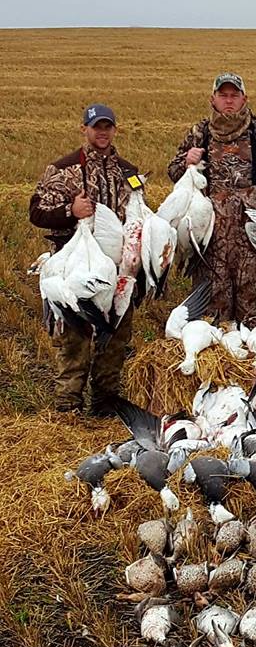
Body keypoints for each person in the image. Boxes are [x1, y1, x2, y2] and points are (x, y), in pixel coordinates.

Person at [29, 104, 141, 415]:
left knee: (115, 338)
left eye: (107, 126)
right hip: (75, 268)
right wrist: (70, 212)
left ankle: (104, 406)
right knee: (75, 337)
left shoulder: (128, 172)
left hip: (117, 270)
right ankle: (68, 407)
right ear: (85, 130)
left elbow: (138, 218)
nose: (102, 132)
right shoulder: (64, 169)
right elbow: (36, 212)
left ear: (114, 130)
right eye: (96, 127)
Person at [168, 72, 256, 324]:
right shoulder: (199, 133)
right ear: (212, 99)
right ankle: (213, 361)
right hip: (210, 240)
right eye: (223, 95)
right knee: (211, 319)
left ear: (244, 99)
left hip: (254, 239)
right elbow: (173, 171)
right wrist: (186, 161)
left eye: (234, 95)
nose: (229, 100)